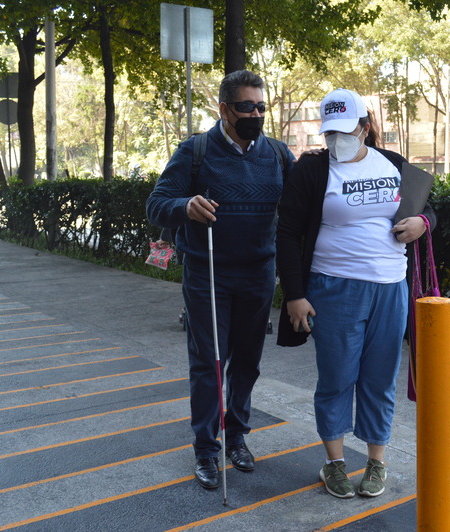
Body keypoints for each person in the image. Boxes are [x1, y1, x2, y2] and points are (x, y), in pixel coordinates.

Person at [275, 89, 436, 499]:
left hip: (390, 287)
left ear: (365, 128)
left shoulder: (393, 163)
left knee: (380, 379)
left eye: (345, 132)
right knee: (337, 378)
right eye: (330, 133)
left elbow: (428, 208)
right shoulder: (312, 170)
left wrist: (422, 223)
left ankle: (376, 461)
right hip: (334, 287)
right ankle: (334, 463)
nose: (337, 141)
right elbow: (288, 233)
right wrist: (295, 294)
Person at [146, 70, 294, 490]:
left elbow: (304, 207)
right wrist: (185, 205)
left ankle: (237, 437)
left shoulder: (279, 155)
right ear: (225, 109)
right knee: (209, 364)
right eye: (247, 107)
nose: (256, 114)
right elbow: (156, 204)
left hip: (259, 275)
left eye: (261, 107)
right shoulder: (195, 151)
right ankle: (206, 449)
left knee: (247, 364)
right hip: (207, 275)